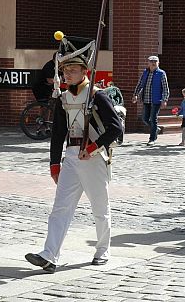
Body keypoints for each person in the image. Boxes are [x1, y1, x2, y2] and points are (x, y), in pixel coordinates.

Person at [25, 36, 123, 274]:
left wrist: (93, 147)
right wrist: (54, 163)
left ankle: (102, 250)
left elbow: (115, 129)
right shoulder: (63, 97)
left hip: (94, 158)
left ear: (84, 70)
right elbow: (58, 133)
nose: (67, 74)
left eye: (72, 69)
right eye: (65, 69)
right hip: (71, 156)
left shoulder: (97, 95)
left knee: (100, 207)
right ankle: (49, 255)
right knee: (60, 208)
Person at [132, 56, 169, 146]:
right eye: (151, 61)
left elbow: (165, 88)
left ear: (158, 63)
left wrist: (164, 99)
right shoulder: (145, 72)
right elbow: (140, 84)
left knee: (153, 119)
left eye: (155, 61)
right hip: (146, 99)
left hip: (156, 100)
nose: (153, 63)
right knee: (145, 118)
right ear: (148, 63)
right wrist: (135, 95)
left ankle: (152, 139)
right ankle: (155, 129)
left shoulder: (161, 73)